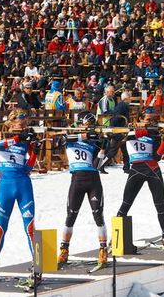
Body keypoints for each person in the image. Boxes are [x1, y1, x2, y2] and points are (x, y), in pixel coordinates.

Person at [0, 109, 40, 284]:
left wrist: (35, 150)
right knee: (1, 227)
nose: (24, 125)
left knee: (30, 227)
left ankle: (38, 266)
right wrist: (18, 139)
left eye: (26, 122)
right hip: (6, 185)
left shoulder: (26, 138)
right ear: (11, 122)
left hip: (23, 184)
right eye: (21, 122)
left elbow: (28, 167)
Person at [57, 111, 108, 269]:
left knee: (97, 215)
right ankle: (64, 249)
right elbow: (61, 140)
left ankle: (103, 250)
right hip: (77, 180)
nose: (88, 129)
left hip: (93, 180)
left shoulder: (93, 142)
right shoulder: (71, 135)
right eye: (85, 125)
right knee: (71, 215)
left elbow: (97, 166)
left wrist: (103, 150)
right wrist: (84, 136)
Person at [116, 108, 164, 247]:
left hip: (153, 169)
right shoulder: (131, 130)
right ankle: (116, 238)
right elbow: (124, 139)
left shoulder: (155, 133)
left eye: (154, 119)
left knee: (159, 204)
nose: (151, 122)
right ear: (140, 119)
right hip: (136, 170)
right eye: (148, 119)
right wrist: (147, 131)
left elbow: (157, 156)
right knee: (126, 204)